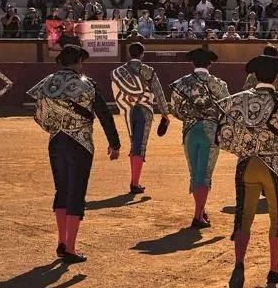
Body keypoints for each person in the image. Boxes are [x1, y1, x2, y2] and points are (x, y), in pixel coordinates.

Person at [217, 54, 278, 288]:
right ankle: (274, 269)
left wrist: (243, 147)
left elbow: (223, 132)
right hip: (275, 168)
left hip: (246, 165)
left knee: (243, 216)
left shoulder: (237, 100)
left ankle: (239, 263)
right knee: (277, 218)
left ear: (254, 76)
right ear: (277, 78)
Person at [27, 45, 120, 263]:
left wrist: (56, 127)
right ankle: (70, 247)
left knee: (62, 190)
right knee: (76, 192)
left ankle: (62, 241)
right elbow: (104, 115)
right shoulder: (87, 85)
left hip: (56, 142)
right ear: (78, 61)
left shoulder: (47, 84)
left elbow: (39, 116)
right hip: (81, 143)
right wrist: (114, 143)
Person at [168, 48, 230, 230]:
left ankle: (201, 210)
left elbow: (175, 109)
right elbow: (227, 109)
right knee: (204, 174)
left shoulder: (180, 84)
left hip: (189, 131)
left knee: (195, 173)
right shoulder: (219, 84)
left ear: (192, 63)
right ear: (210, 64)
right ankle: (197, 216)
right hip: (210, 131)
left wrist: (189, 118)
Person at [111, 42, 170, 196]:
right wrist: (165, 113)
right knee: (140, 145)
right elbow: (158, 92)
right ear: (142, 54)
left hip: (128, 110)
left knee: (134, 143)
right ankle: (135, 183)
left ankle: (134, 181)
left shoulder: (120, 71)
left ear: (130, 54)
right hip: (144, 111)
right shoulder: (147, 70)